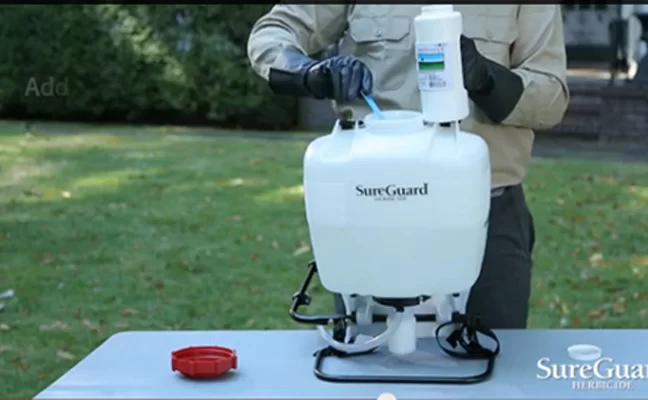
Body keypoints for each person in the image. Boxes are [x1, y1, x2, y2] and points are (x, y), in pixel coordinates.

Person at [247, 5, 569, 329]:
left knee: (498, 354)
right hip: (372, 209)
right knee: (371, 353)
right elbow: (271, 34)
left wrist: (488, 80)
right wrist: (309, 73)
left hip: (487, 211)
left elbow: (552, 96)